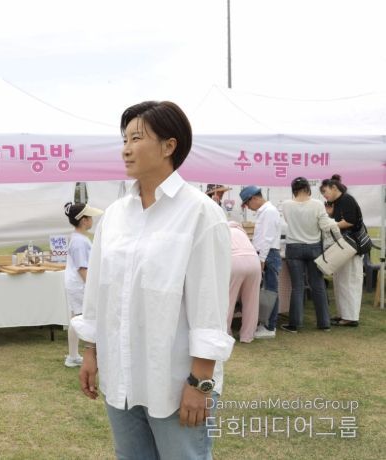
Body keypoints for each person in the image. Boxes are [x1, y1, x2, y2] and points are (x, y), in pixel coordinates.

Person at [71, 101, 234, 459]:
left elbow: (209, 306)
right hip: (122, 374)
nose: (126, 149)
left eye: (136, 138)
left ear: (168, 146)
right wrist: (91, 351)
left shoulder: (200, 213)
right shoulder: (115, 216)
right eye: (124, 139)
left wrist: (200, 383)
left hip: (174, 379)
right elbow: (98, 292)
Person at [280, 177, 339, 332]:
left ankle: (294, 324)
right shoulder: (318, 204)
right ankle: (324, 323)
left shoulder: (286, 205)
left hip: (294, 247)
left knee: (297, 287)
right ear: (308, 188)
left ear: (293, 190)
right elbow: (325, 225)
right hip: (314, 247)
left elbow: (287, 222)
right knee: (318, 285)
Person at [320, 174, 365, 327]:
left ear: (334, 188)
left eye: (325, 191)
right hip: (343, 247)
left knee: (349, 281)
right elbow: (341, 220)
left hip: (351, 247)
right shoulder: (338, 202)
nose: (324, 195)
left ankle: (350, 317)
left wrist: (331, 224)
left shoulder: (346, 199)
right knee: (340, 281)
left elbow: (350, 221)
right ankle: (343, 314)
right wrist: (331, 215)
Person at [63, 201, 103, 368]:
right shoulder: (79, 241)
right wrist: (92, 287)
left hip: (77, 283)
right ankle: (78, 355)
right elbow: (82, 268)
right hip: (79, 284)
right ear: (84, 220)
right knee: (81, 318)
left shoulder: (78, 238)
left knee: (76, 318)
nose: (92, 220)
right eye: (90, 217)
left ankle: (73, 355)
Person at [240, 185, 282, 339]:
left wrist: (262, 259)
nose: (248, 207)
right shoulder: (265, 211)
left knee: (270, 291)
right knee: (266, 291)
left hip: (268, 254)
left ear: (254, 198)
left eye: (247, 203)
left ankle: (270, 327)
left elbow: (267, 237)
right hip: (265, 254)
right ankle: (265, 323)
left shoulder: (269, 211)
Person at [227, 221, 261, 343]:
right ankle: (247, 335)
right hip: (254, 261)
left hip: (234, 261)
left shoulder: (222, 231)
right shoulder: (241, 232)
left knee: (228, 300)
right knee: (252, 301)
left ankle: (225, 333)